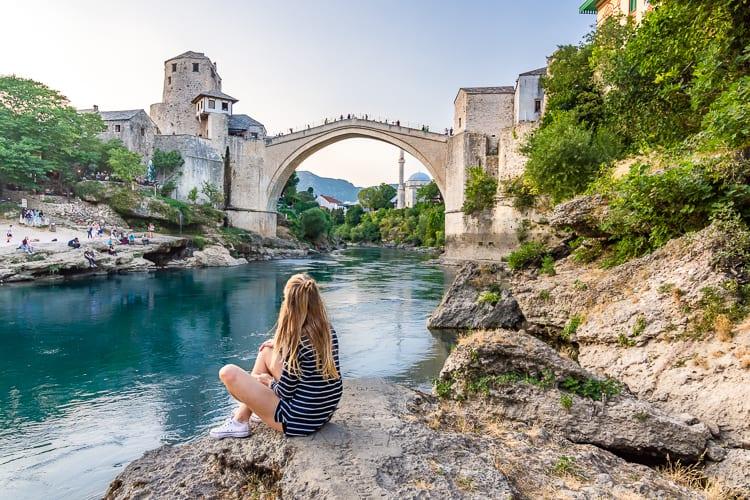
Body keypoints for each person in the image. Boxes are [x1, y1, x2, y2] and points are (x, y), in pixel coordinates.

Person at [210, 273, 342, 439]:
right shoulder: (326, 330)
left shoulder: (298, 341)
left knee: (227, 373)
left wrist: (267, 381)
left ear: (290, 304)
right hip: (323, 412)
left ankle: (241, 420)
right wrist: (280, 345)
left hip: (298, 420)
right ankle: (245, 416)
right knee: (266, 352)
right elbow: (308, 370)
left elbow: (285, 392)